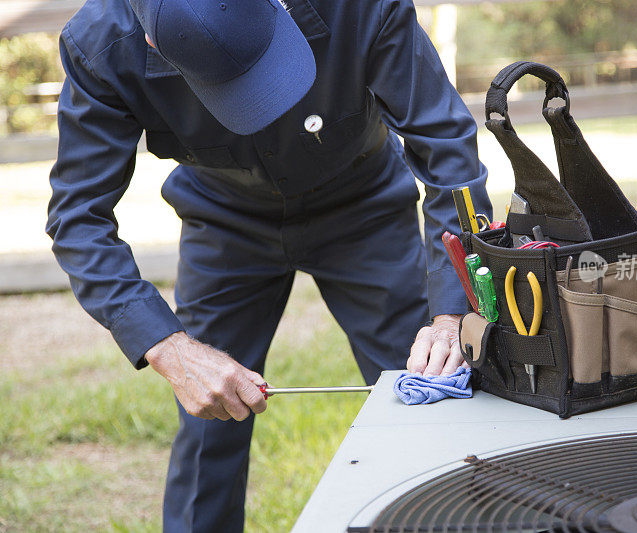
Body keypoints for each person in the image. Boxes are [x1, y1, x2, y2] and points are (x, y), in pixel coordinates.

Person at [47, 0, 491, 530]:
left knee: (425, 387)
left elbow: (445, 144)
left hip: (363, 204)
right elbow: (78, 216)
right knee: (212, 415)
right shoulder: (101, 43)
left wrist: (449, 311)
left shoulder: (362, 7)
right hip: (224, 217)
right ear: (152, 43)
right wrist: (170, 349)